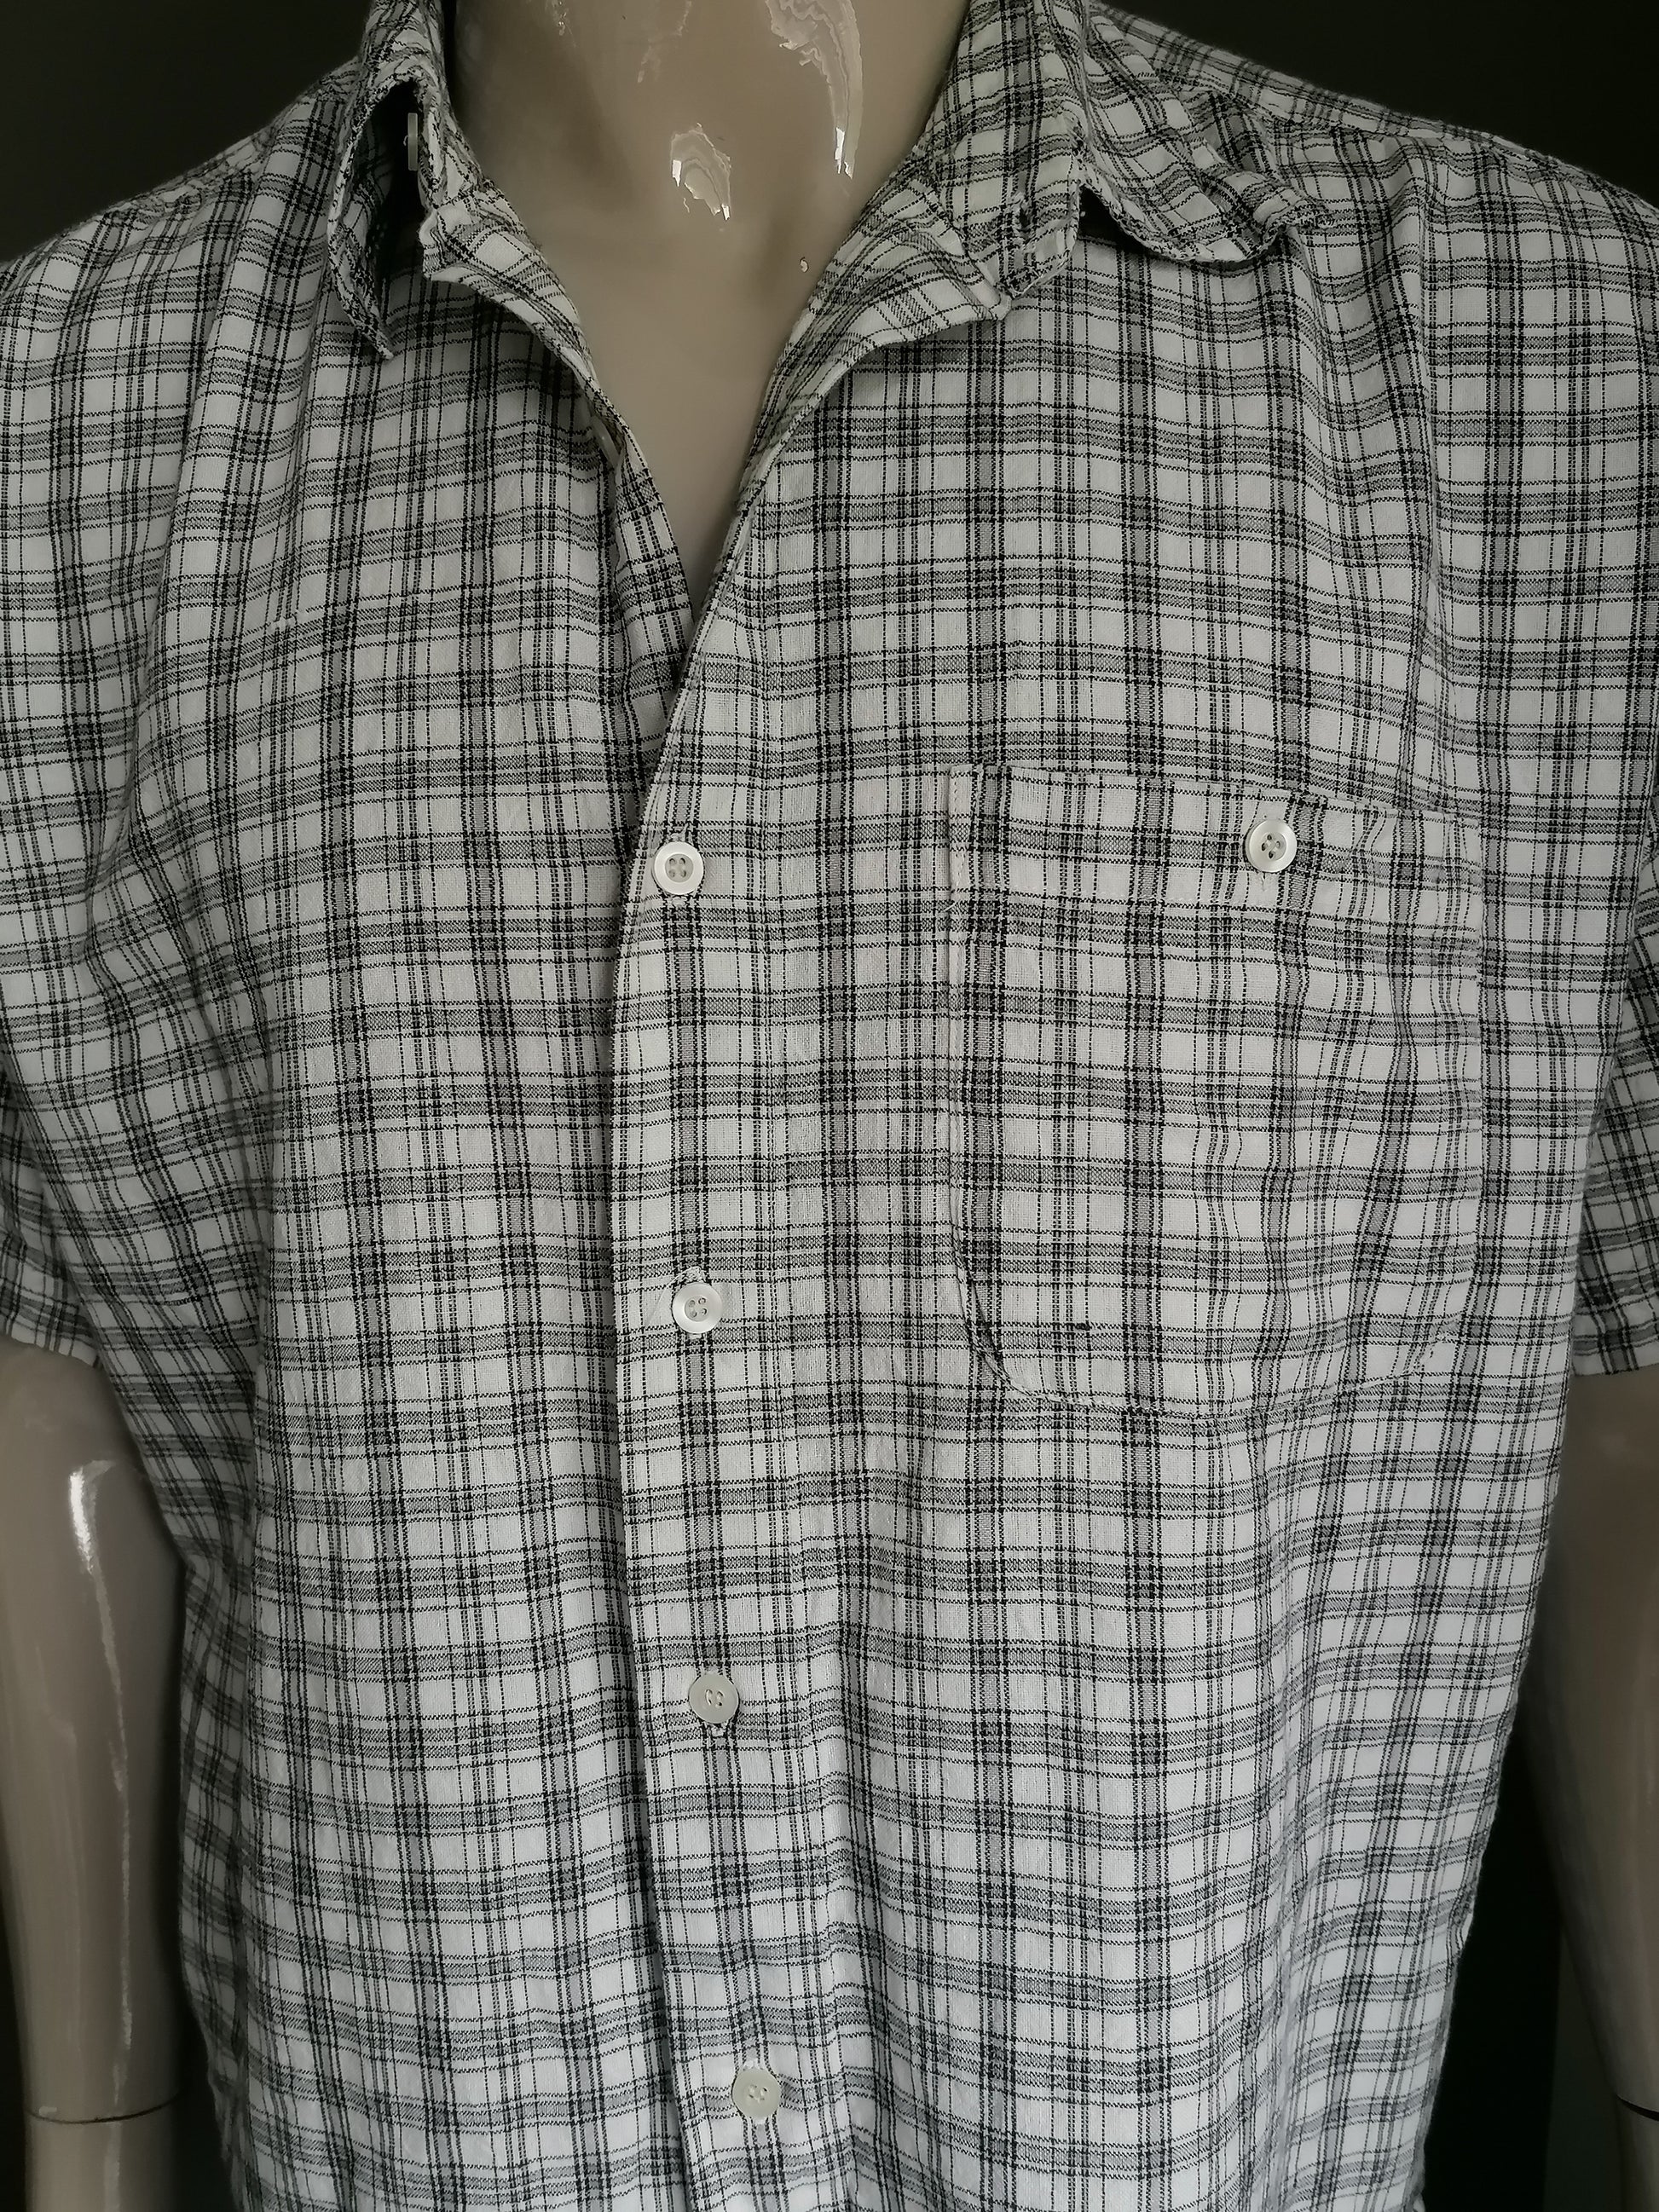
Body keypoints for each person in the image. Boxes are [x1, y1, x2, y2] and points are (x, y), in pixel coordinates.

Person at [2, 2, 1657, 2208]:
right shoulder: (67, 414)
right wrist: (88, 2130)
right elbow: (57, 1386)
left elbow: (1626, 1389)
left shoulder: (1537, 344)